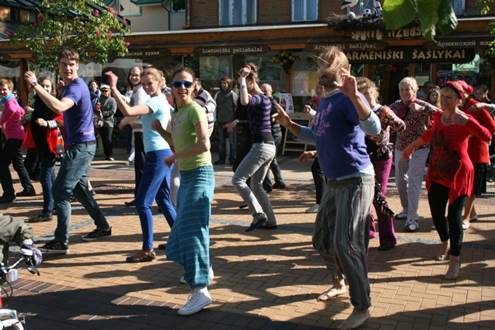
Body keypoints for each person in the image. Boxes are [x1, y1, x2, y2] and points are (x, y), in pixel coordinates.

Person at [276, 46, 380, 329]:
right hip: (334, 182)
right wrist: (290, 125)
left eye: (329, 72)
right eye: (321, 72)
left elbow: (374, 127)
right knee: (322, 240)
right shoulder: (324, 101)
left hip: (356, 180)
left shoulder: (349, 97)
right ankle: (340, 283)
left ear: (343, 72)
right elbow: (317, 135)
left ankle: (363, 305)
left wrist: (354, 95)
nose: (323, 77)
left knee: (346, 244)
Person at [24, 49, 112, 254]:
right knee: (80, 190)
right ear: (59, 66)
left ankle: (61, 242)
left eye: (72, 64)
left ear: (78, 66)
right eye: (64, 64)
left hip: (82, 147)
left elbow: (60, 107)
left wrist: (36, 85)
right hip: (81, 145)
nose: (68, 67)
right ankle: (103, 226)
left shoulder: (76, 88)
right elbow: (60, 108)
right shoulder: (73, 86)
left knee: (60, 192)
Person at [402, 81, 492, 280]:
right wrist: (410, 148)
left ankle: (454, 261)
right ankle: (445, 242)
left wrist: (468, 122)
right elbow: (428, 135)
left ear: (459, 100)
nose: (444, 100)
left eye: (449, 97)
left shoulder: (465, 118)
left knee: (454, 218)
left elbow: (487, 136)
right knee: (436, 213)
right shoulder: (437, 116)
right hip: (438, 171)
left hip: (460, 173)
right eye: (442, 96)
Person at [155, 67, 214, 316]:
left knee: (192, 231)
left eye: (186, 83)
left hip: (201, 175)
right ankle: (203, 269)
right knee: (183, 230)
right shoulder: (177, 113)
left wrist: (174, 157)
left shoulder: (194, 109)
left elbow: (204, 144)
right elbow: (178, 141)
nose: (182, 88)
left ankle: (200, 290)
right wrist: (160, 130)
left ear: (195, 85)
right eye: (177, 84)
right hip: (188, 175)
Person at [105, 68, 176, 263]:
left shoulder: (154, 101)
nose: (145, 86)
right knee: (163, 200)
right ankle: (181, 239)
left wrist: (113, 88)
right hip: (164, 153)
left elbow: (128, 111)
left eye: (149, 83)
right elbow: (134, 116)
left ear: (160, 82)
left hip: (157, 156)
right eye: (143, 84)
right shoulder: (161, 101)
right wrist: (126, 122)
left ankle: (147, 249)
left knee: (143, 203)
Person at [357, 77, 406, 251]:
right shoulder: (357, 112)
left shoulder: (383, 110)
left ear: (375, 94)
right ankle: (368, 231)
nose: (366, 98)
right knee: (363, 196)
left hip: (381, 158)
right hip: (362, 158)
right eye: (361, 95)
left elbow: (401, 125)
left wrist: (391, 126)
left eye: (368, 94)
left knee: (378, 196)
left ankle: (388, 238)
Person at [389, 77, 440, 232]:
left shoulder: (423, 105)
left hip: (420, 147)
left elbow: (441, 114)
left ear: (415, 90)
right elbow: (382, 118)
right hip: (401, 147)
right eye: (402, 89)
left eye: (408, 89)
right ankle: (406, 209)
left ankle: (412, 218)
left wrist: (423, 111)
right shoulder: (396, 106)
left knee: (414, 182)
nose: (405, 92)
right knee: (399, 181)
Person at [232, 63, 277, 231]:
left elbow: (244, 100)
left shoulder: (259, 97)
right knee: (256, 185)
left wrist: (242, 78)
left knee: (237, 179)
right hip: (268, 146)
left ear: (251, 81)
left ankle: (258, 215)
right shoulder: (265, 98)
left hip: (262, 146)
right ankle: (270, 221)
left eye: (242, 85)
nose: (240, 88)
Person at [23, 76, 64, 222]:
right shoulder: (39, 100)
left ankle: (47, 211)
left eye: (48, 86)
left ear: (51, 89)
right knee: (50, 176)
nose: (45, 88)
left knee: (45, 176)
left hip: (50, 145)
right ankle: (54, 206)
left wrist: (47, 123)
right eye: (43, 85)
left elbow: (61, 119)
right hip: (41, 144)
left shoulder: (51, 101)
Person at [459, 82, 495, 229]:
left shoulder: (475, 106)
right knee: (463, 186)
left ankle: (466, 217)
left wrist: (474, 132)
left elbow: (492, 127)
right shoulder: (454, 106)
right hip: (461, 153)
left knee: (471, 188)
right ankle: (471, 214)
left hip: (476, 153)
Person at [0, 78, 36, 203]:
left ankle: (9, 194)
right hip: (17, 136)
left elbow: (14, 110)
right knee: (18, 163)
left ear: (10, 89)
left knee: (2, 164)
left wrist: (3, 121)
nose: (2, 91)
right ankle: (29, 188)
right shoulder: (11, 100)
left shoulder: (9, 102)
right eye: (1, 90)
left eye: (4, 89)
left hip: (14, 137)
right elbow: (20, 110)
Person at [301, 83, 325, 213]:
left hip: (329, 142)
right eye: (317, 87)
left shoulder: (328, 100)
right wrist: (312, 112)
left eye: (320, 87)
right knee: (321, 169)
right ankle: (324, 201)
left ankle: (321, 202)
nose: (317, 90)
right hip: (324, 142)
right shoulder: (323, 101)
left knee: (318, 168)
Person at [261, 83, 286, 191]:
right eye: (262, 91)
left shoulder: (272, 101)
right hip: (271, 133)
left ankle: (267, 185)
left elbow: (280, 112)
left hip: (274, 133)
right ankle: (279, 181)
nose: (263, 93)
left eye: (265, 91)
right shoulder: (264, 101)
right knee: (271, 158)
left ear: (270, 92)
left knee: (266, 159)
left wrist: (273, 116)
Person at [214, 76, 238, 165]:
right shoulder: (218, 94)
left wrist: (234, 122)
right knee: (221, 143)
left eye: (226, 83)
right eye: (222, 83)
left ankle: (233, 159)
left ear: (229, 84)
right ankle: (221, 159)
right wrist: (216, 120)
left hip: (231, 122)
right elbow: (215, 108)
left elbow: (236, 109)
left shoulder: (233, 94)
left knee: (232, 143)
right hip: (220, 121)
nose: (224, 85)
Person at [96, 84, 117, 161]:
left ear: (109, 91)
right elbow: (96, 109)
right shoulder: (98, 99)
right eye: (103, 91)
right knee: (103, 139)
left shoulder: (112, 100)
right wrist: (98, 113)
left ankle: (110, 154)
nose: (104, 92)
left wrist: (103, 114)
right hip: (100, 122)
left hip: (109, 122)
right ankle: (106, 154)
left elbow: (113, 111)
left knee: (108, 139)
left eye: (106, 91)